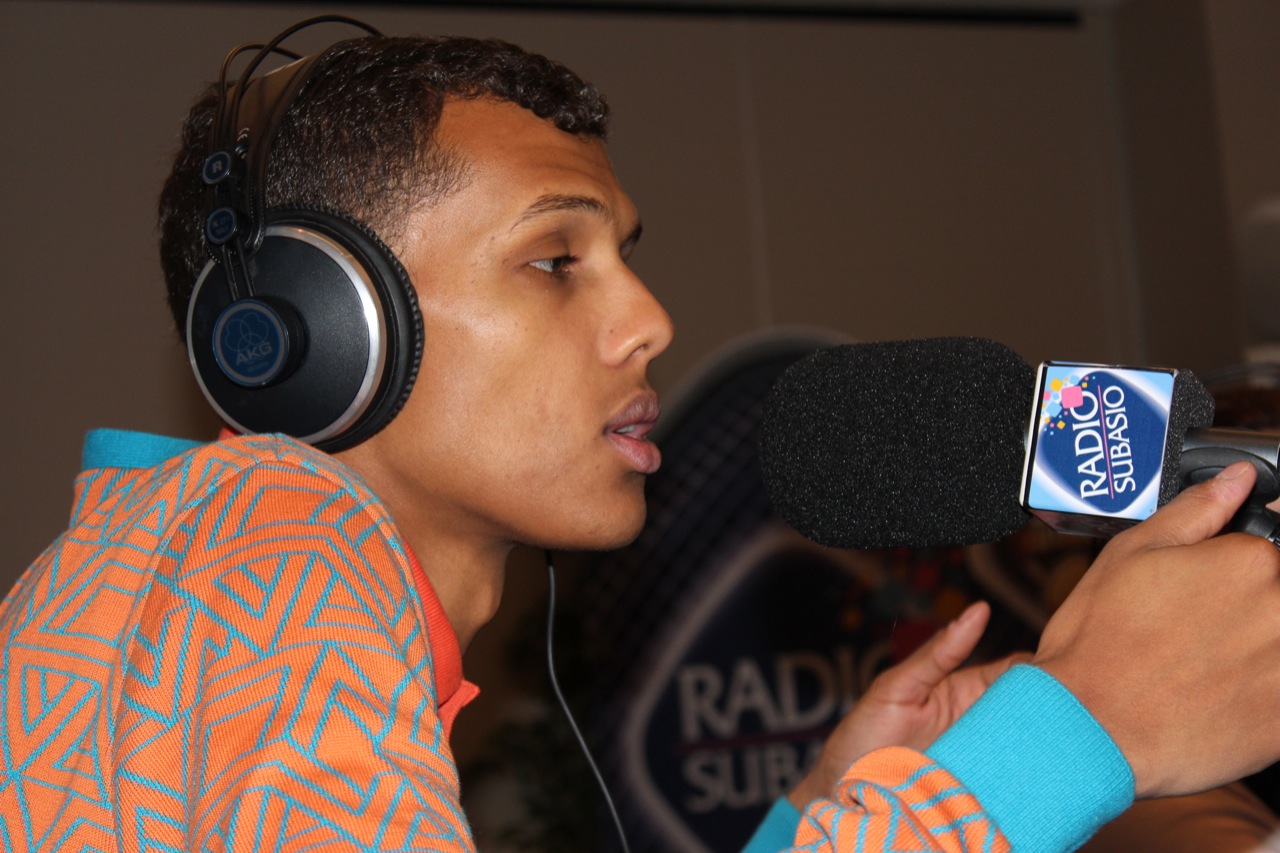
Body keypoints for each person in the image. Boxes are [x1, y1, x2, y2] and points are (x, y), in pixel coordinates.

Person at [3, 19, 1280, 853]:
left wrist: (816, 816)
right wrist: (1078, 726)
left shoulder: (184, 589)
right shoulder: (271, 554)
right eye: (555, 260)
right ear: (323, 332)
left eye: (623, 254)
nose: (651, 321)